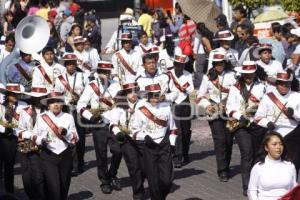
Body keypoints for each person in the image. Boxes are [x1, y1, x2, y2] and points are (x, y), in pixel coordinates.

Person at [77, 61, 122, 194]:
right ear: (98, 72)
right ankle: (104, 181)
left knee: (118, 151)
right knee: (101, 155)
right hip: (99, 124)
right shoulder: (91, 86)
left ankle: (112, 174)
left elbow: (120, 103)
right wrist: (90, 117)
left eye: (107, 72)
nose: (105, 75)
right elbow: (80, 105)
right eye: (102, 72)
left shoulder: (115, 85)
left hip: (114, 124)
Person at [226, 61, 267, 196]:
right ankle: (247, 186)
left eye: (251, 74)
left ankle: (258, 184)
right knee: (247, 154)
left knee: (258, 155)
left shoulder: (262, 87)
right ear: (242, 74)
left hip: (257, 125)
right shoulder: (235, 88)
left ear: (255, 73)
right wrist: (239, 116)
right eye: (246, 74)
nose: (248, 76)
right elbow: (229, 108)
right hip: (241, 125)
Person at [131, 83, 178, 200]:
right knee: (153, 180)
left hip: (164, 145)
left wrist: (172, 143)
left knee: (167, 180)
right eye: (151, 95)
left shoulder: (166, 108)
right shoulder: (140, 110)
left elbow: (173, 129)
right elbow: (134, 131)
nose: (154, 98)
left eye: (156, 95)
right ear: (147, 96)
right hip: (149, 147)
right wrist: (145, 137)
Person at [197, 50, 235, 181]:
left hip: (230, 111)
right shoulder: (207, 77)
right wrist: (207, 105)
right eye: (217, 63)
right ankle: (222, 170)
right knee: (220, 141)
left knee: (229, 141)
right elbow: (200, 95)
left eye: (221, 63)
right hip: (214, 111)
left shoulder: (233, 75)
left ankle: (227, 165)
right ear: (213, 64)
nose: (219, 66)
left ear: (225, 63)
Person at [33, 91, 78, 200]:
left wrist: (65, 132)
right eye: (52, 102)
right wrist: (41, 140)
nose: (56, 104)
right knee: (54, 185)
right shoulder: (41, 117)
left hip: (65, 155)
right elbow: (34, 135)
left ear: (62, 103)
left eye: (58, 101)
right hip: (48, 155)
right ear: (48, 105)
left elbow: (76, 138)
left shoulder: (68, 117)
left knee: (64, 185)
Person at [255, 71, 300, 175]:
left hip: (293, 133)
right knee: (269, 163)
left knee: (293, 164)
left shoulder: (297, 96)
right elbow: (258, 117)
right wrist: (267, 123)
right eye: (280, 83)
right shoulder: (268, 97)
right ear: (277, 84)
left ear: (290, 84)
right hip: (273, 134)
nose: (283, 86)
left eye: (286, 84)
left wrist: (294, 113)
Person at [108, 82, 145, 200]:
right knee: (134, 167)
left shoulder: (144, 104)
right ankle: (138, 194)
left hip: (142, 140)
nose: (133, 94)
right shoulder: (119, 106)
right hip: (127, 140)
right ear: (125, 94)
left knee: (144, 167)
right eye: (130, 92)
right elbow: (113, 123)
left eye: (135, 91)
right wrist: (118, 133)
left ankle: (141, 184)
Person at [55, 53, 88, 175]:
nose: (71, 66)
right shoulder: (59, 78)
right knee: (68, 136)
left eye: (73, 63)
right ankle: (71, 164)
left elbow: (87, 92)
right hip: (66, 109)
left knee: (80, 137)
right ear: (65, 65)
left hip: (79, 110)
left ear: (76, 64)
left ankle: (80, 162)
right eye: (68, 64)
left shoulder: (83, 76)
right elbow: (57, 95)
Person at [18, 85, 49, 200]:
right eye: (37, 97)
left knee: (42, 175)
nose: (39, 100)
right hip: (30, 146)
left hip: (46, 147)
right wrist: (32, 136)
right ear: (32, 98)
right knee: (31, 175)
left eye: (42, 97)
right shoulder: (25, 112)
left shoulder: (48, 111)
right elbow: (20, 130)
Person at [248, 132, 297, 199]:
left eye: (281, 144)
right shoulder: (258, 167)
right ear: (266, 148)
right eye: (274, 144)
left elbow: (294, 188)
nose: (278, 147)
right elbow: (252, 190)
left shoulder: (290, 166)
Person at [167, 54, 194, 167]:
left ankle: (185, 153)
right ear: (174, 64)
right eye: (178, 64)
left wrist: (185, 88)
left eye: (182, 65)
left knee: (186, 131)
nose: (180, 67)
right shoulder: (168, 75)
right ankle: (177, 157)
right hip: (174, 104)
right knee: (178, 131)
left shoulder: (188, 74)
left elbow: (191, 89)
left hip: (185, 102)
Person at [0, 83, 27, 193]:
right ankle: (6, 189)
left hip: (20, 137)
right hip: (4, 137)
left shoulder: (23, 105)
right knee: (5, 164)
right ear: (8, 94)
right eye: (13, 94)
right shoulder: (1, 105)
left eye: (18, 94)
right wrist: (5, 128)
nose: (16, 96)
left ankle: (11, 191)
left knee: (16, 164)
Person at [193, 22, 214, 87]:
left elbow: (195, 48)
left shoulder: (198, 36)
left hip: (199, 55)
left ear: (197, 29)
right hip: (204, 55)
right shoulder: (205, 35)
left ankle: (200, 85)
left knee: (199, 72)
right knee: (203, 71)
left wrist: (195, 55)